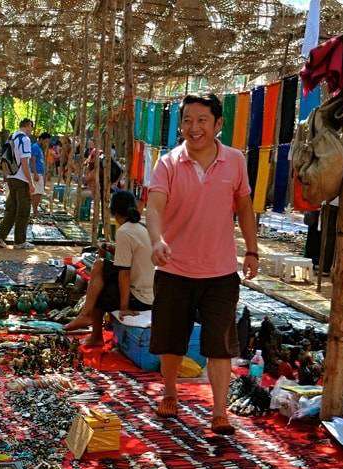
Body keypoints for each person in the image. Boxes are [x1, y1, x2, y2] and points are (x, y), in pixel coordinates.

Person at [146, 93, 258, 434]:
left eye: (202, 121)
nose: (194, 128)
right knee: (170, 340)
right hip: (174, 269)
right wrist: (157, 240)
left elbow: (244, 207)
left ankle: (220, 411)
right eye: (188, 121)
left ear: (218, 124)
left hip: (221, 272)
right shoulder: (167, 163)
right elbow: (154, 207)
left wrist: (252, 250)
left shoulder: (235, 161)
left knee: (220, 345)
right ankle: (169, 392)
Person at [64, 191, 154, 345]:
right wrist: (112, 248)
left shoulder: (125, 231)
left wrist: (124, 307)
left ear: (114, 211)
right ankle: (87, 318)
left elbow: (124, 273)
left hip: (140, 297)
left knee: (101, 285)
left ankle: (92, 327)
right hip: (146, 291)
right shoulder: (139, 227)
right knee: (100, 265)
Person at [0, 118, 35, 249]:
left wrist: (7, 175)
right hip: (21, 178)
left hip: (11, 176)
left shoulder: (12, 137)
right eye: (31, 128)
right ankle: (19, 241)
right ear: (28, 126)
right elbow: (24, 163)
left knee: (12, 209)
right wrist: (31, 182)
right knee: (23, 210)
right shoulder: (25, 140)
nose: (31, 131)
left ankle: (0, 236)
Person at [31, 132, 49, 217]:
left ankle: (34, 210)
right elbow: (33, 160)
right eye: (45, 141)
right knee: (38, 193)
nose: (46, 144)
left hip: (39, 173)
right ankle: (34, 211)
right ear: (41, 139)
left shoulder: (39, 148)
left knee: (38, 192)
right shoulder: (35, 147)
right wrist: (35, 173)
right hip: (36, 173)